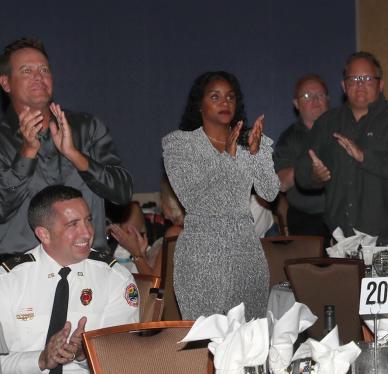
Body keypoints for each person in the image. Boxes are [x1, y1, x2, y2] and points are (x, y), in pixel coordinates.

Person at [0, 38, 132, 257]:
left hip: (88, 262)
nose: (38, 77)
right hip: (22, 267)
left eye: (44, 69)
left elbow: (122, 192)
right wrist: (27, 154)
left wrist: (75, 156)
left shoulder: (86, 127)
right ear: (6, 83)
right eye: (26, 71)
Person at [162, 71, 279, 319]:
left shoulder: (252, 141)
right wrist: (228, 157)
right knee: (206, 344)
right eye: (215, 97)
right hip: (200, 256)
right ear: (200, 105)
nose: (224, 102)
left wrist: (256, 154)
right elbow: (195, 199)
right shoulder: (179, 145)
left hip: (246, 255)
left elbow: (270, 192)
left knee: (249, 345)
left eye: (230, 97)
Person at [0, 185, 139, 373]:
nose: (87, 233)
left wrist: (85, 353)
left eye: (88, 220)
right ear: (44, 234)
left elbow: (123, 359)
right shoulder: (8, 281)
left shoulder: (114, 279)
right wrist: (40, 360)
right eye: (73, 224)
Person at [295, 52, 388, 244]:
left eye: (366, 78)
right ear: (343, 86)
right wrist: (315, 176)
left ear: (380, 84)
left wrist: (365, 157)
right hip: (342, 243)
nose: (360, 84)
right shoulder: (327, 123)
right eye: (353, 79)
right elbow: (302, 172)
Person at [274, 74, 330, 237]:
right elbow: (281, 182)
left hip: (343, 216)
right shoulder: (290, 138)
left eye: (320, 95)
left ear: (328, 100)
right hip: (307, 220)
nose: (315, 100)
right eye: (307, 96)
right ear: (296, 104)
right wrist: (306, 167)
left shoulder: (343, 131)